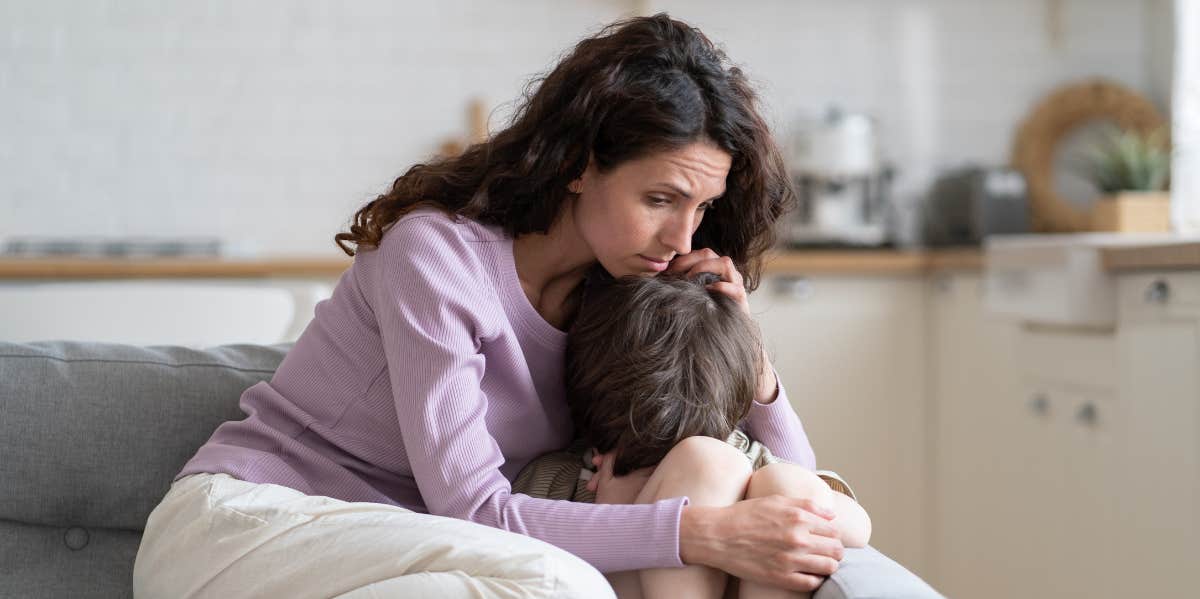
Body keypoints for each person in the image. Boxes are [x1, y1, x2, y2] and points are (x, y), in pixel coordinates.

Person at [133, 13, 845, 599]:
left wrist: (750, 361)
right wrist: (699, 533)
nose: (682, 236)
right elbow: (474, 509)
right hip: (254, 525)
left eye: (702, 207)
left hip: (413, 550)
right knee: (561, 585)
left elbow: (791, 487)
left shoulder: (619, 295)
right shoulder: (435, 257)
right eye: (659, 199)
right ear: (579, 165)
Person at [512, 272, 871, 599]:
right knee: (709, 462)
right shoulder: (567, 475)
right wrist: (615, 513)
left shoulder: (740, 458)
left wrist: (792, 497)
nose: (662, 477)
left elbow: (856, 525)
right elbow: (509, 543)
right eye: (645, 469)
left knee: (779, 479)